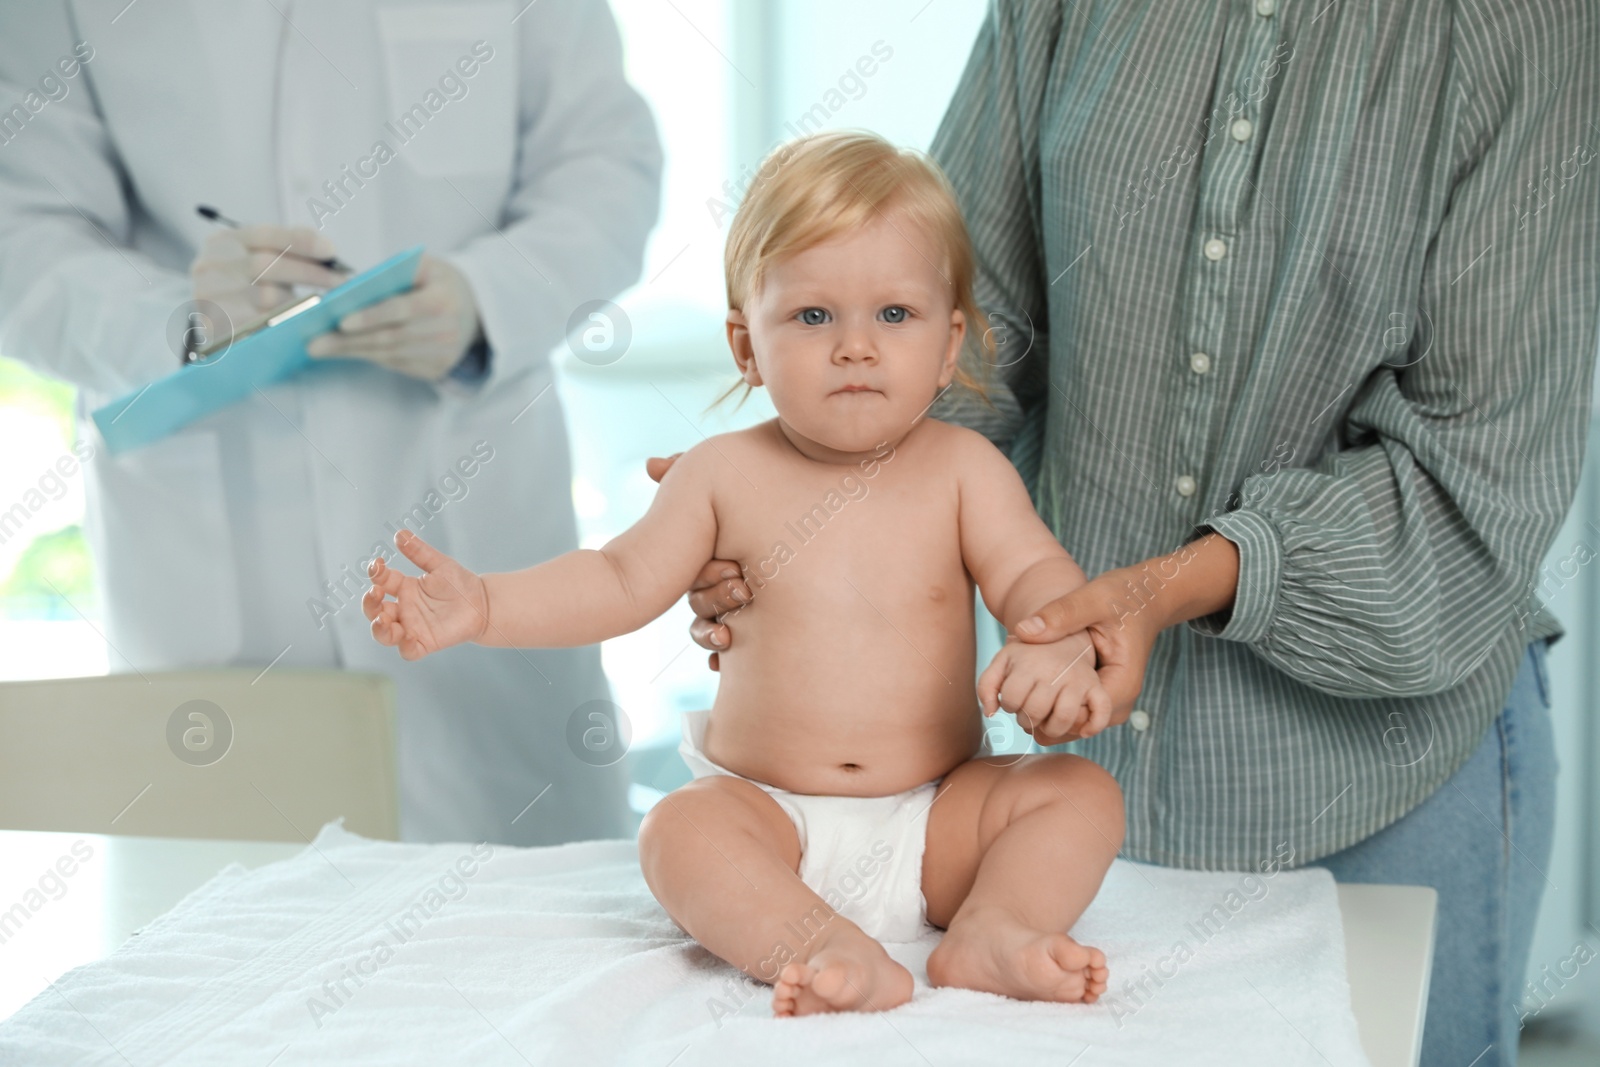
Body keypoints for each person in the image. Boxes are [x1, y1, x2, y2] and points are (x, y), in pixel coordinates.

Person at [660, 1, 1599, 1062]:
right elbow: (963, 317)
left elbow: (1474, 465)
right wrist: (797, 508)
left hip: (1378, 765)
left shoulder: (1529, 30)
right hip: (1080, 770)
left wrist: (1163, 586)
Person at [361, 130, 1126, 1017]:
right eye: (812, 316)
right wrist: (485, 603)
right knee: (678, 832)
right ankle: (816, 941)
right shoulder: (720, 473)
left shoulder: (965, 469)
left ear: (949, 342)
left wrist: (1058, 642)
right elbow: (618, 579)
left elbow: (1034, 574)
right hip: (771, 820)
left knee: (1076, 793)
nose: (855, 347)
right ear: (745, 345)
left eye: (894, 315)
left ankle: (996, 925)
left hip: (939, 815)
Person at [0, 0, 661, 845]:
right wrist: (173, 317)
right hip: (210, 553)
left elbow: (608, 160)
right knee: (226, 932)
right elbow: (20, 230)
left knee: (542, 926)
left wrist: (491, 296)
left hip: (472, 510)